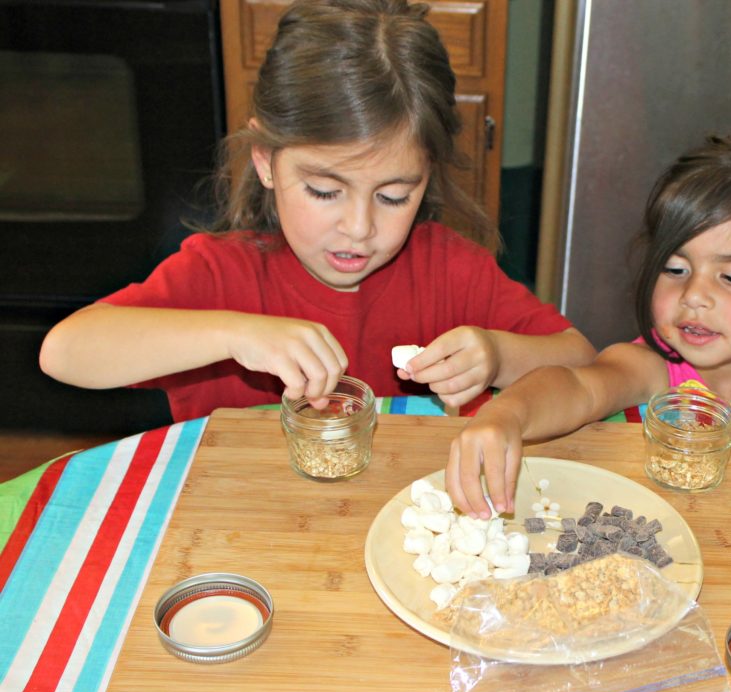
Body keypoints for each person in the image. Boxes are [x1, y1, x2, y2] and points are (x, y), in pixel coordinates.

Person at [39, 0, 594, 421]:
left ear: (428, 178)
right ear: (266, 162)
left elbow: (580, 359)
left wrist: (497, 356)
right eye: (325, 191)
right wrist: (235, 336)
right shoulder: (220, 275)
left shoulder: (451, 271)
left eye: (394, 196)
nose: (359, 227)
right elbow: (64, 352)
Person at [447, 134, 731, 518]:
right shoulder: (650, 369)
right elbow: (576, 386)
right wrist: (507, 415)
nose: (693, 295)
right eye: (675, 270)